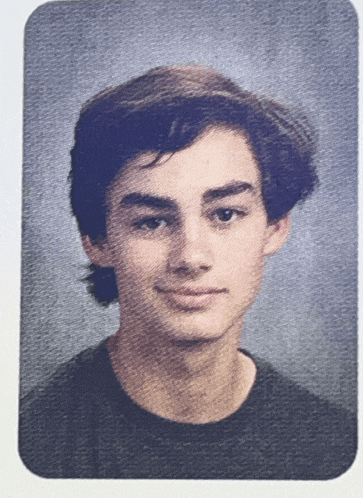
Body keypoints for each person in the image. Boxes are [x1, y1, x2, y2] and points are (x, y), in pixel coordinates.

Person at [19, 65, 356, 479]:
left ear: (274, 227)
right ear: (97, 239)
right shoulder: (29, 447)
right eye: (152, 221)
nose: (191, 257)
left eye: (226, 214)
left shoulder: (338, 451)